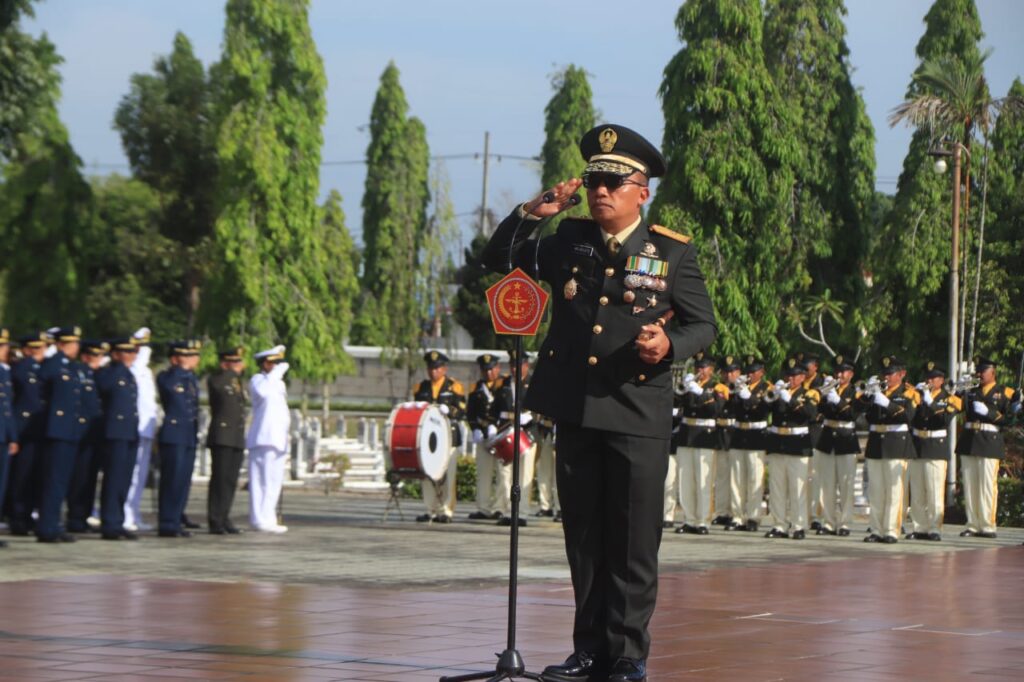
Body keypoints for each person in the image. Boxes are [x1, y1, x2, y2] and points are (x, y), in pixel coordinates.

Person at [483, 123, 716, 682]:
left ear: (643, 190)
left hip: (638, 413)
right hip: (579, 410)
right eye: (593, 183)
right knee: (583, 538)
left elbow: (702, 324)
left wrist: (669, 344)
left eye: (614, 182)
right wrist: (535, 211)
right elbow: (500, 257)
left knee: (634, 542)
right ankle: (589, 651)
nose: (600, 192)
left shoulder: (671, 252)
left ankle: (629, 655)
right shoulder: (570, 241)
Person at [957, 357, 1016, 539]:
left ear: (993, 372)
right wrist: (959, 390)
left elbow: (1010, 420)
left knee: (987, 485)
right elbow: (956, 407)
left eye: (983, 371)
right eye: (979, 371)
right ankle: (973, 524)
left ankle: (988, 525)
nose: (980, 374)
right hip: (969, 441)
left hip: (989, 441)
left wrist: (989, 413)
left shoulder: (1004, 392)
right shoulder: (971, 392)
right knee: (971, 485)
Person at [860, 356, 917, 544]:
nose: (887, 378)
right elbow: (860, 414)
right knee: (876, 490)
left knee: (894, 491)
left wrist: (886, 403)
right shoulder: (877, 392)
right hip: (876, 443)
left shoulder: (909, 393)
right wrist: (867, 396)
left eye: (890, 374)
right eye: (884, 374)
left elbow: (909, 416)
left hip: (896, 444)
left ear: (902, 374)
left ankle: (892, 530)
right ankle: (876, 529)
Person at [35, 326, 85, 543]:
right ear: (64, 344)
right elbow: (43, 381)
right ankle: (46, 527)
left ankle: (54, 524)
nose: (77, 347)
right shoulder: (54, 364)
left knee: (62, 481)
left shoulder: (72, 367)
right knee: (53, 480)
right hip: (56, 431)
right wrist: (55, 353)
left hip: (69, 431)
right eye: (73, 343)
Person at [763, 359, 820, 540]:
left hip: (797, 445)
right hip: (778, 443)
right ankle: (779, 524)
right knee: (777, 488)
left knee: (798, 488)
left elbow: (810, 414)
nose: (790, 379)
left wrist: (791, 399)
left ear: (803, 377)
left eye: (794, 376)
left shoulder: (809, 393)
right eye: (788, 375)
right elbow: (763, 408)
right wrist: (771, 395)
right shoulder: (779, 392)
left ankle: (799, 525)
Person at [908, 361, 960, 541]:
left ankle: (935, 527)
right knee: (917, 491)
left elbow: (944, 419)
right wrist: (915, 398)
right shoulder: (918, 396)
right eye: (927, 378)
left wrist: (929, 401)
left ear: (941, 380)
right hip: (918, 446)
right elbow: (909, 417)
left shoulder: (949, 398)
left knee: (934, 491)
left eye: (933, 378)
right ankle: (919, 527)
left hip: (935, 447)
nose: (929, 381)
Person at [411, 351, 464, 524]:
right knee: (428, 474)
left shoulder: (453, 386)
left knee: (448, 474)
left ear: (444, 368)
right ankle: (430, 509)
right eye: (430, 368)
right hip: (428, 438)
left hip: (449, 437)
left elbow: (462, 410)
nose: (433, 372)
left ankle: (446, 510)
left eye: (436, 368)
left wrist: (451, 411)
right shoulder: (421, 387)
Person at [673, 352, 723, 535]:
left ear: (711, 370)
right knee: (686, 481)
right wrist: (682, 390)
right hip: (687, 435)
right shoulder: (689, 384)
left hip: (705, 436)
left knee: (703, 480)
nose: (700, 371)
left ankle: (703, 520)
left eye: (703, 367)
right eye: (697, 367)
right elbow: (675, 403)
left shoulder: (716, 387)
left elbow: (716, 409)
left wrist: (700, 392)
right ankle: (689, 519)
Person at [156, 339, 201, 538]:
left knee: (182, 480)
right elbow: (169, 389)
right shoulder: (169, 377)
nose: (194, 359)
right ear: (175, 358)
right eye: (188, 355)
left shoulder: (190, 378)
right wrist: (180, 368)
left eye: (194, 355)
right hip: (173, 435)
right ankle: (167, 522)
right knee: (171, 480)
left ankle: (175, 519)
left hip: (188, 435)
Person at [95, 338, 140, 540]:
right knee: (113, 479)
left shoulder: (129, 374)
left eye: (133, 352)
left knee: (124, 479)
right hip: (114, 432)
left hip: (128, 432)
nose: (131, 356)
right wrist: (118, 367)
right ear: (114, 355)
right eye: (126, 352)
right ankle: (109, 522)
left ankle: (118, 520)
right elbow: (104, 389)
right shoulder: (109, 373)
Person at [815, 354, 862, 536]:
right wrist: (825, 395)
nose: (840, 376)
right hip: (827, 438)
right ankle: (828, 521)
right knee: (827, 484)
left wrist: (837, 400)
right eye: (837, 372)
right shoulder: (827, 389)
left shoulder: (855, 392)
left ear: (851, 374)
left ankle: (844, 523)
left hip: (846, 438)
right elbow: (818, 411)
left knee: (845, 485)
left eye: (844, 372)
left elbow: (852, 414)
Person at [65, 340, 108, 533]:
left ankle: (84, 514)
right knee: (79, 477)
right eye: (95, 356)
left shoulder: (98, 376)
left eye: (100, 356)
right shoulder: (79, 373)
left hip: (95, 433)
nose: (98, 359)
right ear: (86, 356)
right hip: (81, 433)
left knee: (90, 477)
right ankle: (75, 516)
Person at [247, 345, 290, 533]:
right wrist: (276, 374)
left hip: (278, 438)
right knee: (260, 480)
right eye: (274, 363)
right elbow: (263, 394)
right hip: (263, 437)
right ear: (264, 364)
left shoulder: (278, 383)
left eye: (278, 363)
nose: (277, 366)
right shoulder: (258, 380)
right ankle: (258, 518)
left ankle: (269, 517)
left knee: (274, 481)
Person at [6, 332, 45, 537]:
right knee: (21, 476)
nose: (42, 353)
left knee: (33, 476)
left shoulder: (40, 369)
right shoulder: (21, 369)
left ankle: (28, 514)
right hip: (24, 429)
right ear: (28, 349)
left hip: (37, 429)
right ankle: (17, 516)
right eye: (38, 349)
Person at [207, 346, 248, 535]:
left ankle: (224, 516)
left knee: (231, 480)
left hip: (235, 437)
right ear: (225, 364)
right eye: (236, 362)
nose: (241, 366)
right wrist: (229, 372)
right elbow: (219, 392)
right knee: (220, 479)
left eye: (240, 362)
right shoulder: (218, 379)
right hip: (222, 436)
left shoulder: (237, 382)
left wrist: (235, 375)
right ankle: (215, 518)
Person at [727, 355, 770, 532]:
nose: (750, 374)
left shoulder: (767, 388)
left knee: (754, 478)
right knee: (736, 479)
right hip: (739, 434)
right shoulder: (739, 387)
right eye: (749, 371)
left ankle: (753, 516)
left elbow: (763, 410)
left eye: (754, 371)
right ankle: (737, 516)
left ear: (762, 372)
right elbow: (730, 409)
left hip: (756, 435)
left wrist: (748, 396)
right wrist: (736, 392)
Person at [466, 353, 510, 522]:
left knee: (503, 473)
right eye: (485, 370)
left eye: (492, 369)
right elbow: (471, 412)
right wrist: (475, 429)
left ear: (498, 368)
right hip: (484, 436)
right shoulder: (476, 387)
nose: (489, 373)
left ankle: (500, 507)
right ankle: (483, 508)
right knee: (483, 473)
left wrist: (499, 426)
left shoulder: (505, 384)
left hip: (501, 434)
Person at [496, 348, 538, 525]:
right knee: (505, 473)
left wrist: (533, 416)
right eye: (512, 365)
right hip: (508, 432)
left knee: (525, 474)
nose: (515, 369)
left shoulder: (534, 382)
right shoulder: (503, 384)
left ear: (526, 365)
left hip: (527, 433)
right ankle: (507, 511)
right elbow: (495, 409)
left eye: (519, 365)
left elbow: (543, 407)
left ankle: (522, 513)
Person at [124, 327, 158, 532]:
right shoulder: (132, 369)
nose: (145, 351)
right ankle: (126, 515)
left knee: (141, 474)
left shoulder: (146, 371)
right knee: (131, 473)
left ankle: (134, 513)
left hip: (146, 428)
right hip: (134, 428)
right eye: (141, 347)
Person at [712, 355, 741, 529]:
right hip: (721, 433)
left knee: (736, 478)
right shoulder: (718, 387)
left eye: (732, 372)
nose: (729, 375)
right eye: (726, 372)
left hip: (736, 433)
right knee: (721, 476)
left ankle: (736, 512)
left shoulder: (742, 388)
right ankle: (722, 511)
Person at [0, 329, 18, 548]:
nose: (7, 351)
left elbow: (7, 408)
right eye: (3, 347)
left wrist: (12, 436)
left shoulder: (4, 372)